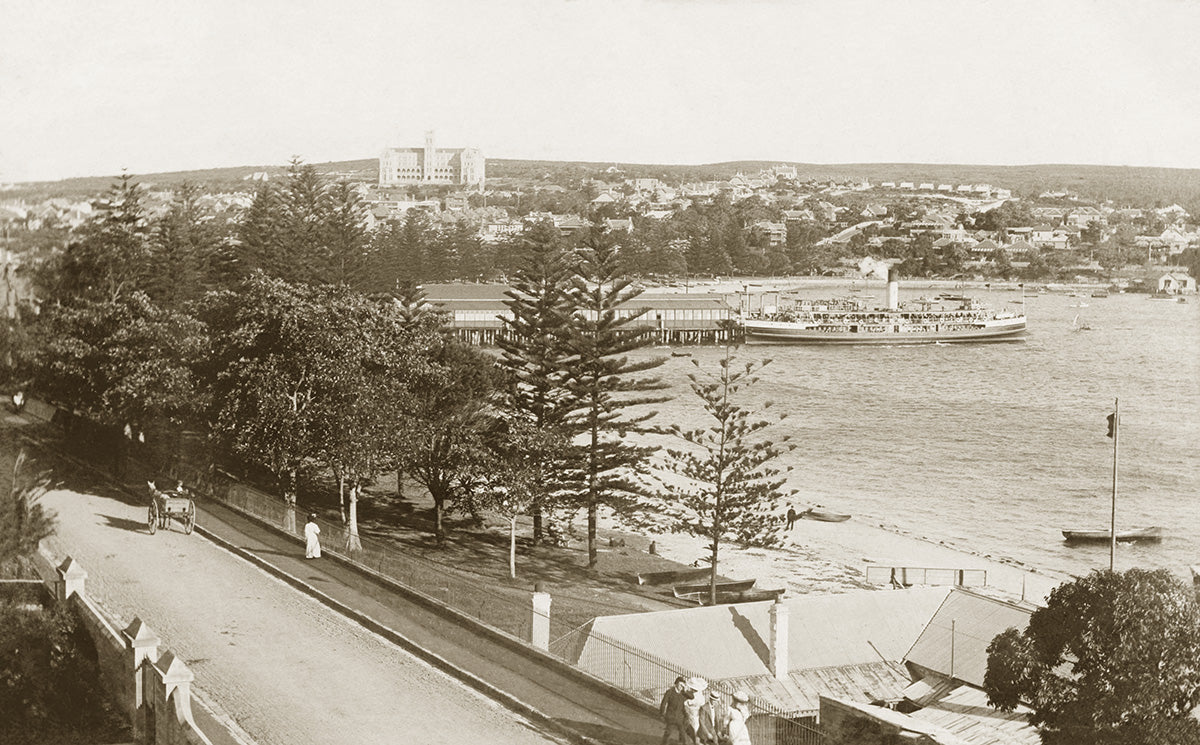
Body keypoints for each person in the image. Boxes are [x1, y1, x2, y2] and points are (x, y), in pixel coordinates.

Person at [659, 676, 690, 745]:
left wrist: (685, 690)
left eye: (682, 685)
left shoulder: (683, 693)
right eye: (680, 685)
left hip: (680, 718)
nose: (681, 687)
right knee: (668, 733)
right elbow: (663, 703)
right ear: (676, 684)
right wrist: (662, 714)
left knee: (683, 735)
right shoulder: (670, 692)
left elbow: (691, 697)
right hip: (671, 717)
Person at [683, 677, 706, 743]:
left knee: (691, 731)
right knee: (695, 731)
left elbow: (686, 704)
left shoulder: (693, 697)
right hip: (697, 715)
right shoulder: (701, 696)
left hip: (691, 715)